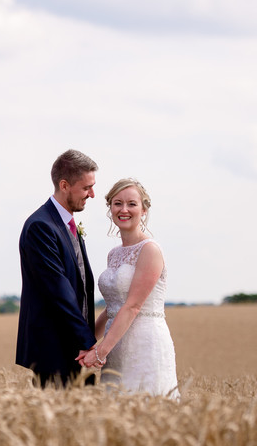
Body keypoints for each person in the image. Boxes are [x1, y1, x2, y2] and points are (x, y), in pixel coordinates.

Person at [77, 178, 179, 399]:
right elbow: (112, 307)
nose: (124, 210)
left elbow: (133, 305)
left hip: (144, 343)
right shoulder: (113, 254)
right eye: (117, 203)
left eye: (132, 204)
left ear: (143, 210)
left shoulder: (150, 250)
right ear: (110, 209)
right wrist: (86, 343)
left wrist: (100, 352)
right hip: (115, 344)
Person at [16, 149, 99, 387]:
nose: (92, 194)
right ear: (64, 185)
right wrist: (90, 345)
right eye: (86, 188)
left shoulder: (66, 224)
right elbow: (59, 293)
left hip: (75, 351)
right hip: (53, 353)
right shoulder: (41, 226)